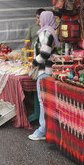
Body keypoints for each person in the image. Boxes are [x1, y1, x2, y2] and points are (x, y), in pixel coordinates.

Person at [28, 11, 60, 141]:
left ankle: (42, 131)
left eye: (41, 18)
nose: (39, 21)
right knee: (47, 101)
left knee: (43, 101)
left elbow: (45, 53)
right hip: (48, 70)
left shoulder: (46, 33)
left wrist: (34, 63)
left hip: (45, 71)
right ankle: (46, 129)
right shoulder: (50, 31)